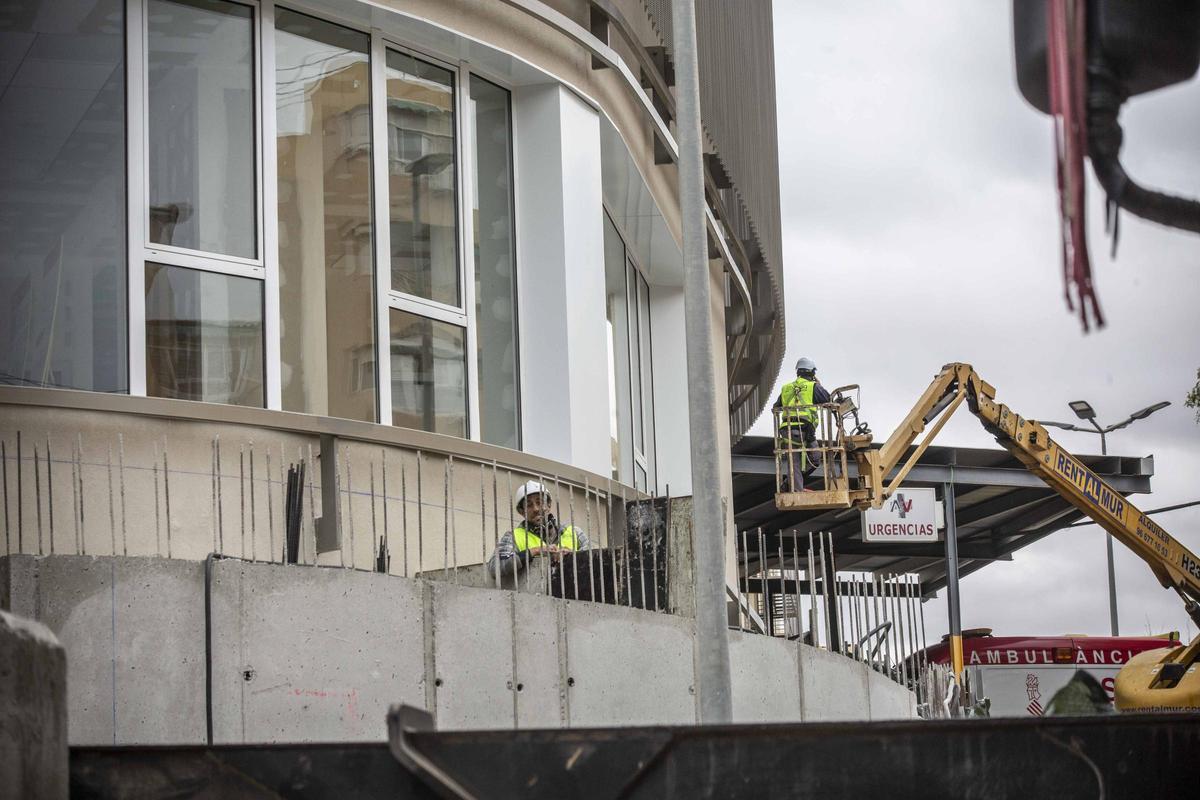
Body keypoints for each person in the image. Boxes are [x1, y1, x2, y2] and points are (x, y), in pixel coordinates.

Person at [487, 480, 590, 580]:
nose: (536, 509)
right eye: (529, 505)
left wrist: (573, 556)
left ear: (548, 505)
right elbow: (495, 567)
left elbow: (595, 563)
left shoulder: (574, 533)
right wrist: (535, 551)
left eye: (539, 502)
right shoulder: (513, 536)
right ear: (522, 512)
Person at [775, 357, 830, 489]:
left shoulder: (786, 387)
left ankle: (792, 486)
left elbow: (776, 406)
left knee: (794, 463)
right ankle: (792, 485)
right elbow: (828, 399)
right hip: (805, 430)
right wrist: (819, 385)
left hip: (787, 430)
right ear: (812, 373)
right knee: (816, 458)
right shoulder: (813, 387)